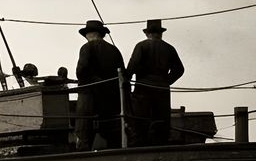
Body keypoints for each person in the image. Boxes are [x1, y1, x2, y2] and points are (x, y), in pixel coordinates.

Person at [126, 19, 184, 146]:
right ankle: (160, 145)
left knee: (141, 118)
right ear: (161, 33)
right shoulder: (169, 48)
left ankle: (140, 146)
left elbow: (132, 66)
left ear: (147, 33)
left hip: (143, 87)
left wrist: (126, 80)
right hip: (162, 88)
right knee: (161, 119)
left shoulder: (141, 46)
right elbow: (179, 69)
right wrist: (167, 81)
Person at [74, 19, 126, 150]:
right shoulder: (114, 50)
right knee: (112, 132)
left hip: (90, 96)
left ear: (88, 34)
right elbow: (122, 74)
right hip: (111, 97)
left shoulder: (87, 47)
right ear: (101, 34)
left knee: (84, 131)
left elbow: (81, 71)